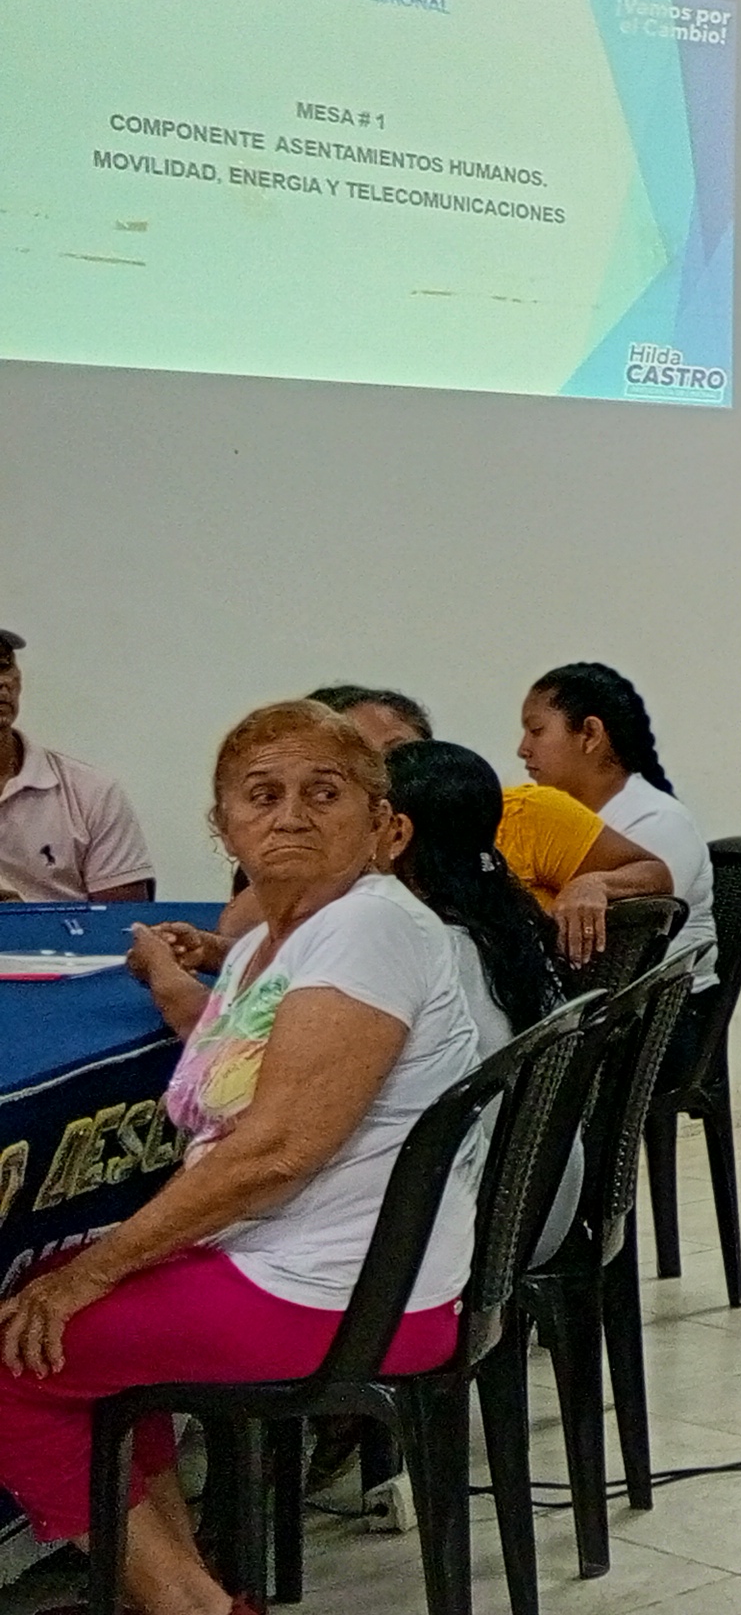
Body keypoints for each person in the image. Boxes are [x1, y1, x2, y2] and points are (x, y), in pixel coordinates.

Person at [0, 703, 513, 1615]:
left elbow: (278, 1149)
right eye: (263, 796)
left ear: (384, 826)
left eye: (325, 793)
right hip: (321, 1266)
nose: (292, 817)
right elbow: (241, 1059)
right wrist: (172, 981)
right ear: (225, 826)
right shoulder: (277, 938)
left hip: (343, 1296)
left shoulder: (368, 930)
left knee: (19, 1350)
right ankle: (179, 1588)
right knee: (56, 1305)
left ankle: (187, 1606)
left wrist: (95, 1272)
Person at [308, 684, 671, 966]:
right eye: (365, 760)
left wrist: (594, 884)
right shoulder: (335, 854)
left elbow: (652, 872)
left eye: (398, 750)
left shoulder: (525, 813)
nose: (387, 770)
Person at [519, 664, 716, 992]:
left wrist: (595, 883)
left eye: (537, 731)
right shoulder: (553, 820)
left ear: (590, 734)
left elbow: (622, 942)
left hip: (659, 1011)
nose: (523, 749)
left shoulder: (659, 822)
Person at [0, 629, 155, 904]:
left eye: (4, 666)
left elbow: (124, 922)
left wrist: (25, 923)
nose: (1, 682)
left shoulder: (91, 793)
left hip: (61, 932)